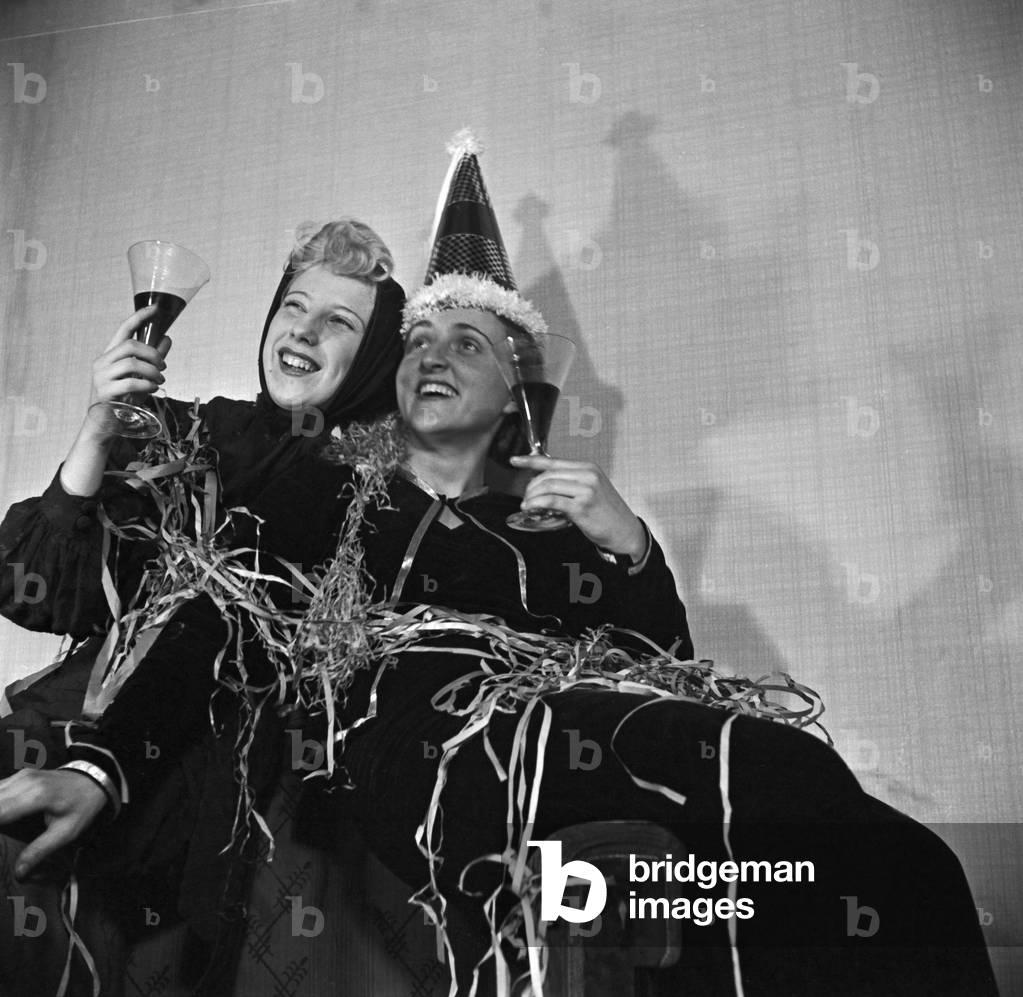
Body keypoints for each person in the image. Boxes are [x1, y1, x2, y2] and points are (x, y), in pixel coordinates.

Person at [0, 140, 999, 997]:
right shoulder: (331, 488)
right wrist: (101, 763)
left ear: (513, 387)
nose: (436, 355)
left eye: (467, 341)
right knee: (765, 776)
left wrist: (629, 548)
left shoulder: (549, 528)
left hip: (561, 729)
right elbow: (218, 618)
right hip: (426, 743)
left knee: (894, 853)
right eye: (420, 340)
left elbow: (660, 671)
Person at [0, 217, 406, 994]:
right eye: (294, 306)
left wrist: (101, 766)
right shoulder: (198, 431)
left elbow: (234, 620)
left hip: (192, 759)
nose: (303, 330)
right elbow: (32, 588)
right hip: (71, 715)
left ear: (374, 358)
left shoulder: (363, 485)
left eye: (339, 322)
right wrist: (96, 432)